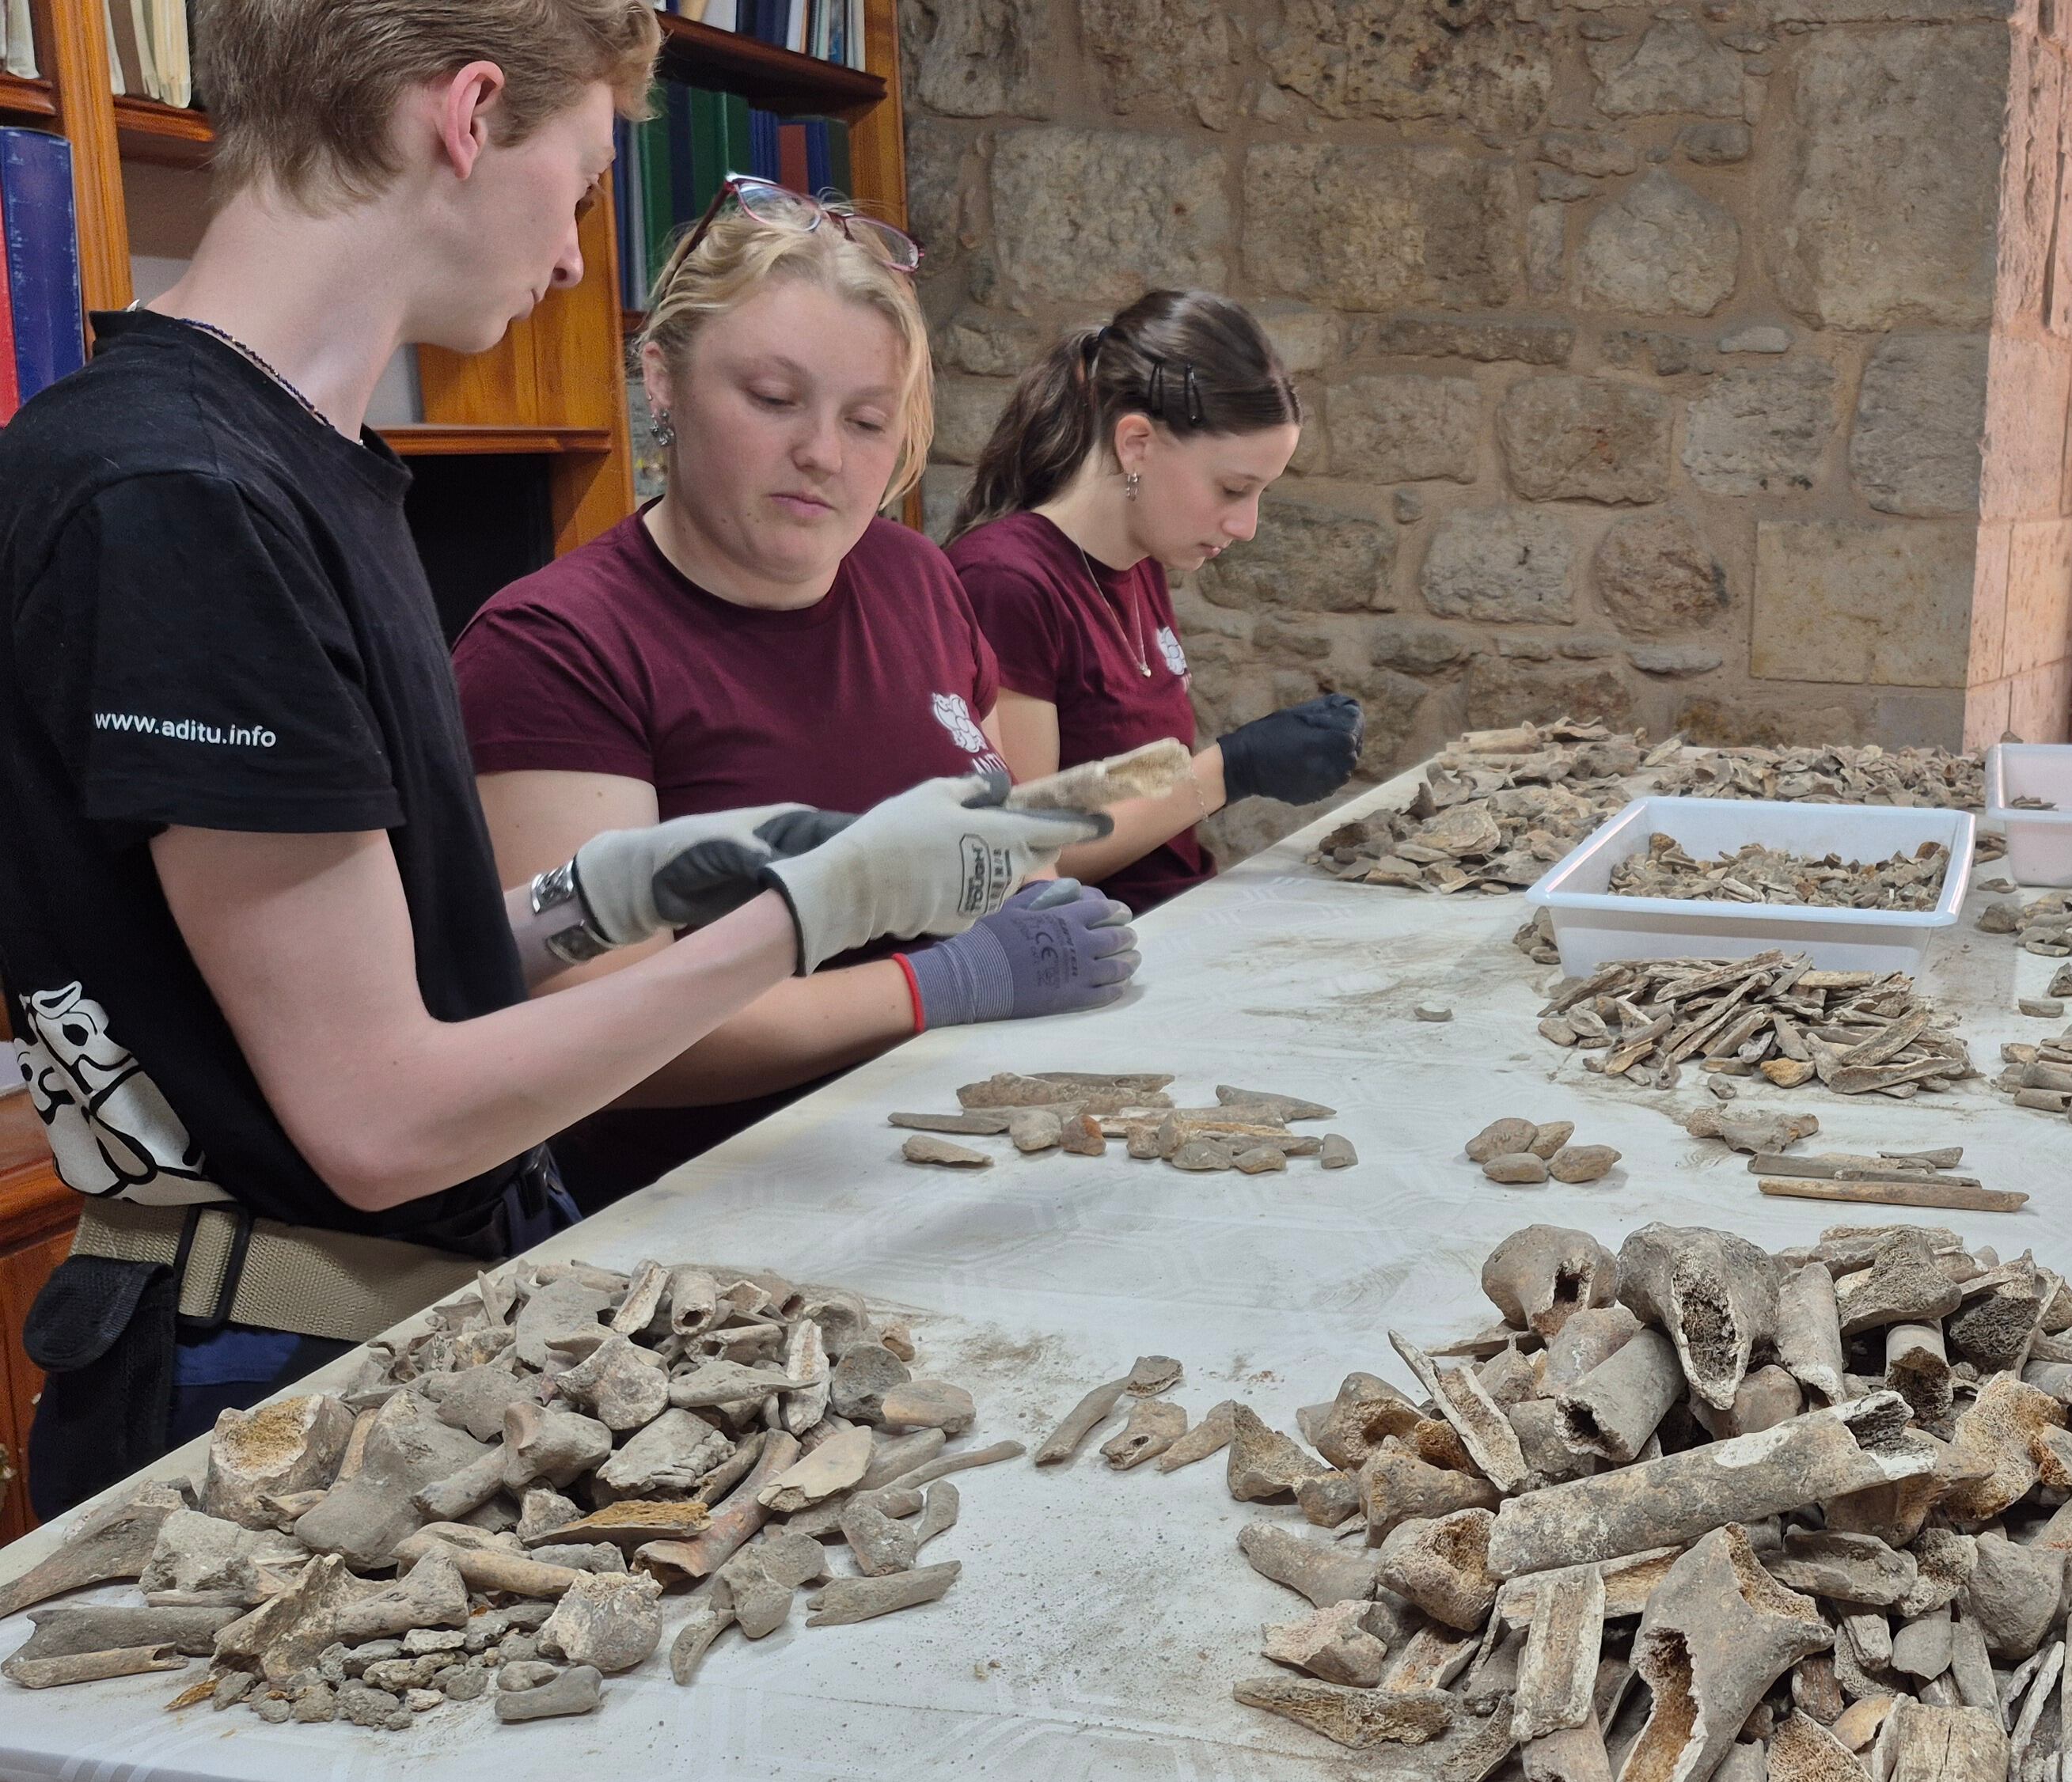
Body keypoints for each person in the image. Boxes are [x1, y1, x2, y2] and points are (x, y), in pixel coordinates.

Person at [0, 0, 1093, 1518]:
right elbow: (379, 1117)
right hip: (259, 1382)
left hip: (388, 1326)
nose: (577, 256)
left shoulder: (302, 468)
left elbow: (368, 975)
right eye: (579, 183)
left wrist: (607, 896)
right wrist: (813, 914)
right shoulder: (179, 494)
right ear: (466, 116)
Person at [455, 177, 1136, 1209]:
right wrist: (943, 984)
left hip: (952, 1148)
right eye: (774, 401)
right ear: (662, 379)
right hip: (715, 1221)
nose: (822, 454)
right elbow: (590, 1033)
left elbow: (992, 831)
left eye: (867, 420)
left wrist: (1036, 894)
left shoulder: (913, 576)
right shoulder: (558, 647)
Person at [946, 290, 1364, 912]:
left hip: (1175, 926)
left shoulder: (1140, 560)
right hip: (1090, 961)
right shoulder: (1004, 582)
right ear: (1136, 442)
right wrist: (1229, 770)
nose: (1246, 525)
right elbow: (1029, 856)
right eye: (1232, 489)